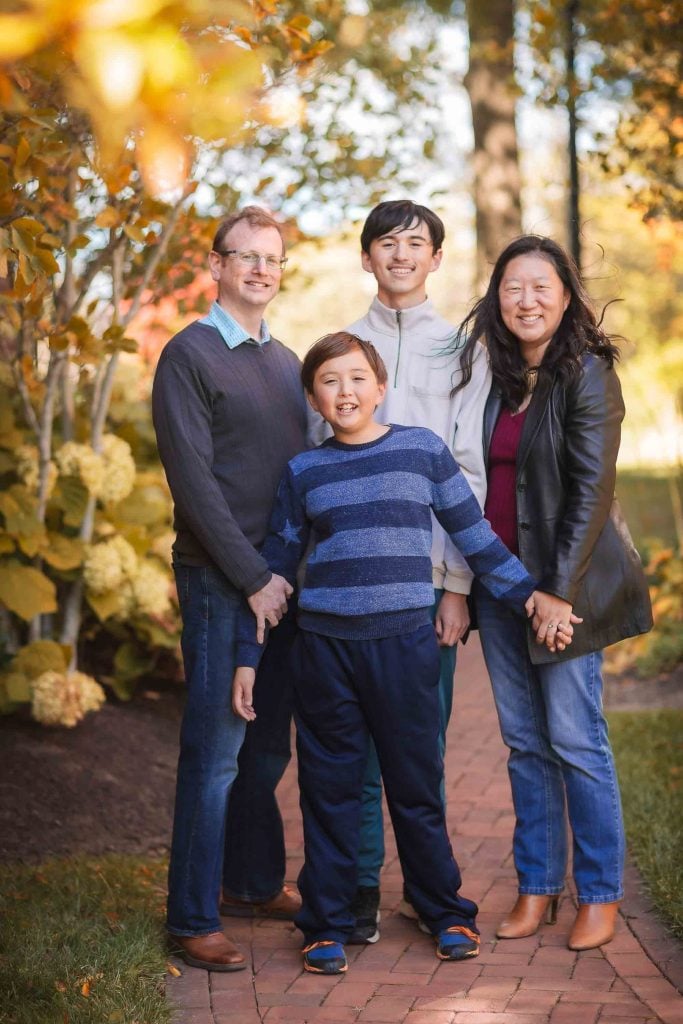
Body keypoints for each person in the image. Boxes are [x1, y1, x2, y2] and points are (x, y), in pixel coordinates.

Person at [232, 332, 574, 975]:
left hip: (404, 646)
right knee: (328, 791)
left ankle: (443, 911)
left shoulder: (422, 452)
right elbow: (276, 568)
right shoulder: (305, 471)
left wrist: (533, 598)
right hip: (326, 651)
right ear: (314, 398)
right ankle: (326, 923)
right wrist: (246, 656)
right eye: (329, 382)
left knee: (416, 787)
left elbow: (476, 539)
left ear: (380, 387)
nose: (345, 392)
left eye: (357, 378)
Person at [453, 235, 653, 951]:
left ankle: (597, 894)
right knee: (523, 745)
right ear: (496, 297)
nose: (525, 299)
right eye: (512, 287)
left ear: (565, 295)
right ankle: (537, 886)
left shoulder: (586, 374)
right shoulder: (493, 376)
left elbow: (591, 491)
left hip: (561, 591)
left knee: (574, 741)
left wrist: (557, 594)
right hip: (499, 586)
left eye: (540, 286)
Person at [152, 207, 308, 971]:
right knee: (215, 751)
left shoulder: (285, 362)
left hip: (280, 586)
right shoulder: (189, 355)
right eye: (243, 257)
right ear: (215, 266)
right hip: (222, 583)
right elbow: (193, 485)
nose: (258, 269)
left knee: (264, 750)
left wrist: (283, 580)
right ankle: (190, 914)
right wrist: (250, 579)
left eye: (270, 259)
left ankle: (251, 883)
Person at [344, 200, 491, 942]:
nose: (400, 254)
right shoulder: (340, 349)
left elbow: (468, 474)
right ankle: (359, 890)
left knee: (418, 750)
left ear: (435, 258)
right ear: (365, 257)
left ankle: (427, 896)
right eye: (385, 243)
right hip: (346, 590)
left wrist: (459, 585)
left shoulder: (461, 349)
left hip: (428, 581)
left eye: (415, 243)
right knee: (354, 751)